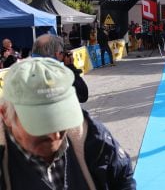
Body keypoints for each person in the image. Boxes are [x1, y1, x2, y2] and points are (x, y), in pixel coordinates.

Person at [0, 58, 136, 189]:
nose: (56, 136)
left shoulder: (90, 135)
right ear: (5, 114)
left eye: (62, 119)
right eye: (42, 123)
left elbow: (122, 178)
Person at [31, 34, 89, 103]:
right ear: (57, 54)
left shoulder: (26, 70)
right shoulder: (55, 75)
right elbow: (82, 96)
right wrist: (71, 66)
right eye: (62, 52)